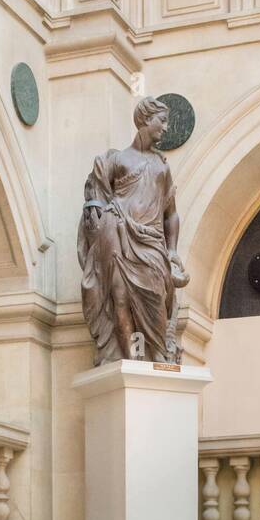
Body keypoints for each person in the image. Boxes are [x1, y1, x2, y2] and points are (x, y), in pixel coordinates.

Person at [77, 97, 189, 365]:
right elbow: (96, 200)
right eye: (161, 121)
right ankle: (131, 361)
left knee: (156, 295)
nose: (165, 127)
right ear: (144, 120)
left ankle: (161, 354)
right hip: (116, 231)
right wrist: (94, 213)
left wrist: (172, 251)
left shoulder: (162, 166)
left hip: (150, 242)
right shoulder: (117, 160)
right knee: (119, 296)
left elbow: (170, 213)